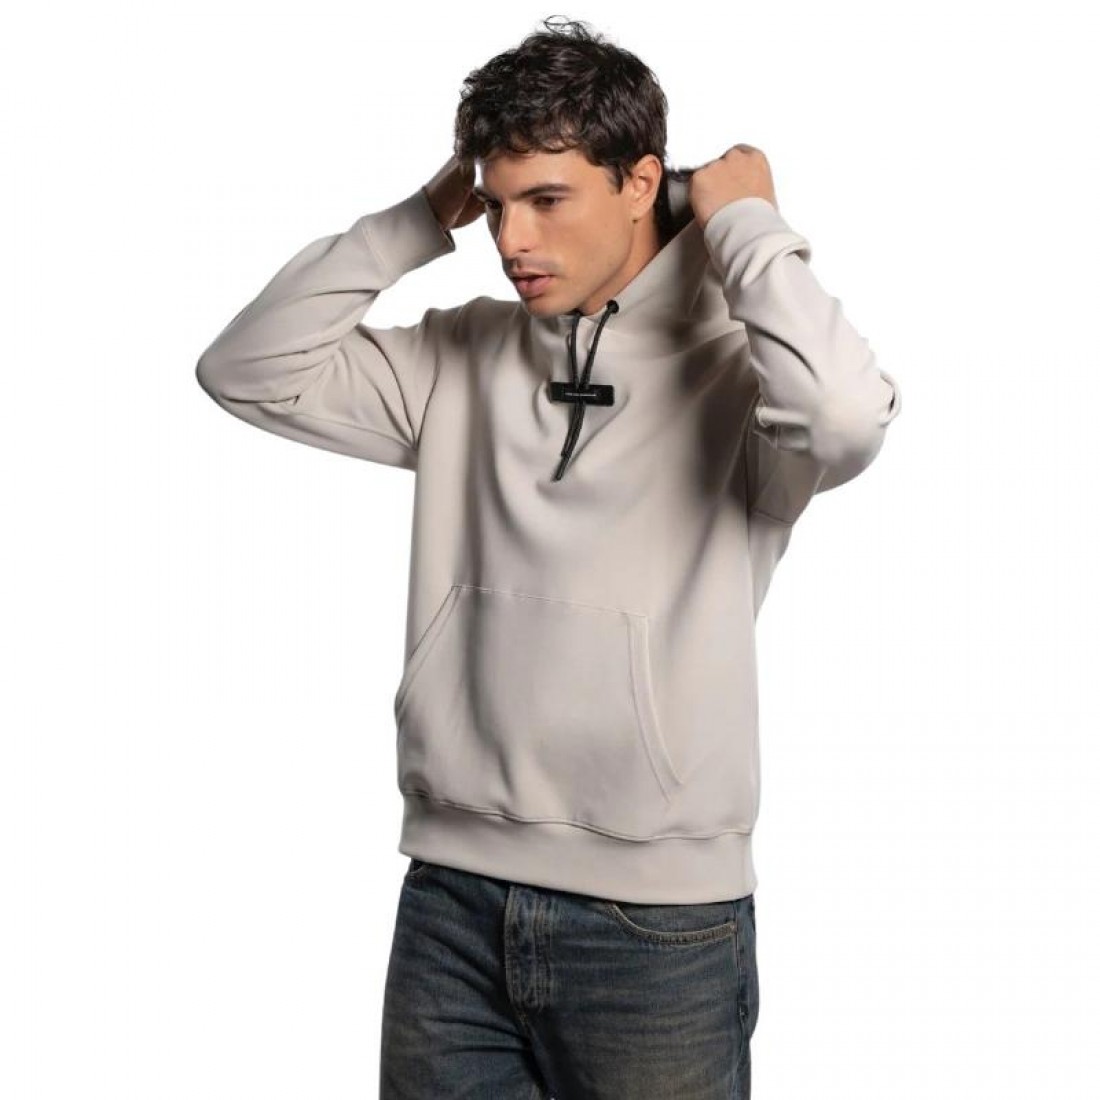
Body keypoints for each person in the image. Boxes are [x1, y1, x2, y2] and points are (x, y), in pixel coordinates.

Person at [195, 15, 901, 1099]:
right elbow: (246, 369)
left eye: (548, 199)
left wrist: (748, 226)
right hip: (450, 895)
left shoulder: (746, 374)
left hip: (656, 920)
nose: (512, 238)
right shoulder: (463, 354)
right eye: (495, 203)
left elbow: (846, 416)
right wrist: (416, 220)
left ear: (640, 182)